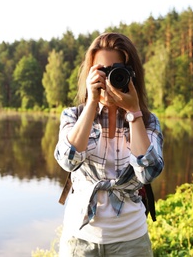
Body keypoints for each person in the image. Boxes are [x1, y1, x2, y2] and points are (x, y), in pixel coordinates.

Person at [54, 32, 164, 256]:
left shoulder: (148, 121)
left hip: (131, 240)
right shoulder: (73, 116)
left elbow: (148, 174)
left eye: (117, 70)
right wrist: (92, 103)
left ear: (131, 75)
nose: (108, 78)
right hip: (79, 239)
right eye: (101, 70)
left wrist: (133, 113)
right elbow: (67, 160)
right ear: (89, 73)